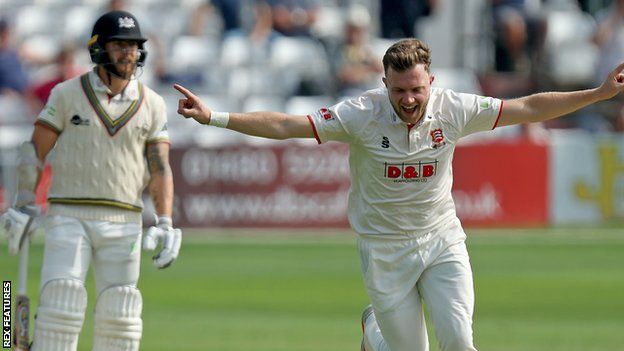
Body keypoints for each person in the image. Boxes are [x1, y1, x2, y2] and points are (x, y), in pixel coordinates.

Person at [173, 38, 624, 350]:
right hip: (384, 248)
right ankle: (374, 331)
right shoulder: (360, 113)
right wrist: (216, 117)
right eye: (400, 90)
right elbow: (288, 125)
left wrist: (599, 93)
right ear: (385, 83)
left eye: (417, 89)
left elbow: (528, 108)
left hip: (442, 237)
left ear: (431, 82)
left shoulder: (455, 108)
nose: (409, 100)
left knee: (460, 341)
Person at [0, 10, 181, 351]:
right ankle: (16, 334)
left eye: (133, 46)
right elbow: (33, 151)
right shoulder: (67, 93)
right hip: (69, 215)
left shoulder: (153, 103)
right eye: (119, 45)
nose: (128, 53)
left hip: (125, 220)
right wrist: (23, 202)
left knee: (121, 317)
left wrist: (166, 220)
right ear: (98, 49)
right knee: (60, 306)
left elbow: (160, 168)